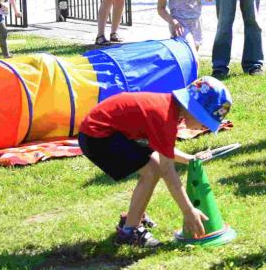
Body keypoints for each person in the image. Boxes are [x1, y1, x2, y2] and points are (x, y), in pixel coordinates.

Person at [77, 76, 231, 248]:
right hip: (97, 136)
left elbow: (163, 148)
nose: (204, 128)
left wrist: (189, 159)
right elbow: (167, 170)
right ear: (194, 109)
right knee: (152, 171)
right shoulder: (165, 117)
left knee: (154, 166)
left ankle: (132, 218)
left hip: (105, 131)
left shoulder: (170, 109)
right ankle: (129, 232)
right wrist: (188, 210)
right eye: (204, 121)